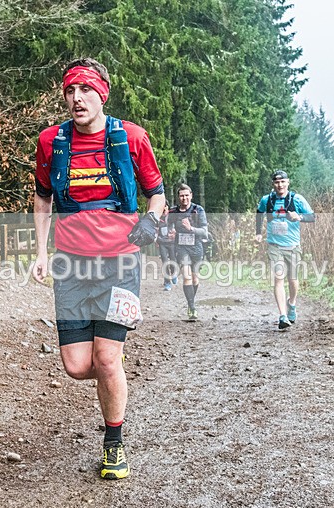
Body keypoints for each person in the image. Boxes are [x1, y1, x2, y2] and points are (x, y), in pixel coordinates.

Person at [32, 58, 165, 480]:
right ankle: (114, 370)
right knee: (76, 365)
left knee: (106, 359)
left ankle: (113, 444)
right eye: (70, 91)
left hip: (121, 264)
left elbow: (156, 196)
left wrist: (151, 221)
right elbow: (42, 200)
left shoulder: (132, 138)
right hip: (70, 265)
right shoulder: (51, 142)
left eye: (85, 90)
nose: (76, 99)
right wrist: (39, 252)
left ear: (102, 92)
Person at [254, 170, 315, 329]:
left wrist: (299, 217)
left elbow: (312, 217)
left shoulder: (297, 199)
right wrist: (258, 233)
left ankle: (292, 303)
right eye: (276, 182)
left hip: (293, 246)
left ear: (288, 182)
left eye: (282, 182)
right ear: (273, 184)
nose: (280, 185)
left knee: (293, 280)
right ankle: (282, 316)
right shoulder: (267, 200)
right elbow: (259, 213)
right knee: (278, 278)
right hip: (274, 246)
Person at [168, 184, 208, 320]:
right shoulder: (173, 212)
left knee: (195, 277)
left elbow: (204, 231)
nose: (184, 198)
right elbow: (169, 225)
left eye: (186, 195)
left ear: (191, 195)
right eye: (181, 195)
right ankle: (192, 308)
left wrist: (191, 229)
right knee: (186, 276)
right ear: (178, 197)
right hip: (181, 247)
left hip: (196, 247)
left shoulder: (198, 210)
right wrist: (171, 232)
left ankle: (191, 301)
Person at [156, 202, 177, 291]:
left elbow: (177, 226)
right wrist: (156, 240)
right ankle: (167, 283)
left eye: (165, 206)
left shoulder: (172, 216)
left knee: (173, 260)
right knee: (165, 262)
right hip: (162, 242)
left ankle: (173, 273)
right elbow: (156, 230)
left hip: (171, 242)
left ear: (167, 207)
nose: (163, 208)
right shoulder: (158, 217)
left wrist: (175, 232)